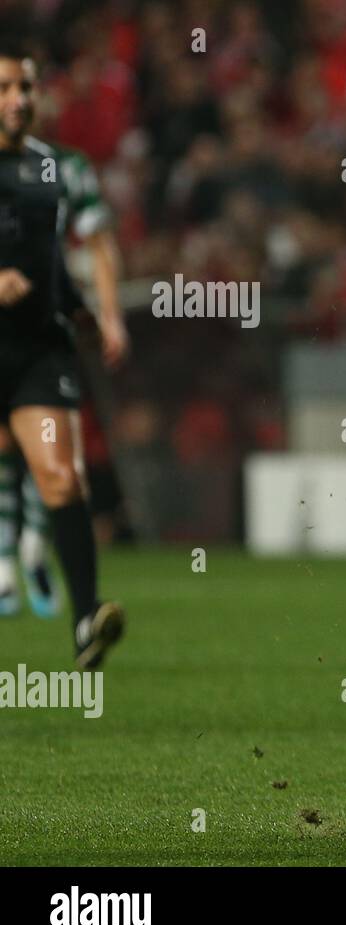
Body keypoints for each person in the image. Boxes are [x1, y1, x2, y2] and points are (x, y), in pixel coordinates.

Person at [0, 41, 124, 666]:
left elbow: (70, 250)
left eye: (25, 88)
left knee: (61, 475)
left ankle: (85, 622)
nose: (19, 100)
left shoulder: (55, 169)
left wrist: (91, 310)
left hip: (37, 349)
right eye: (5, 89)